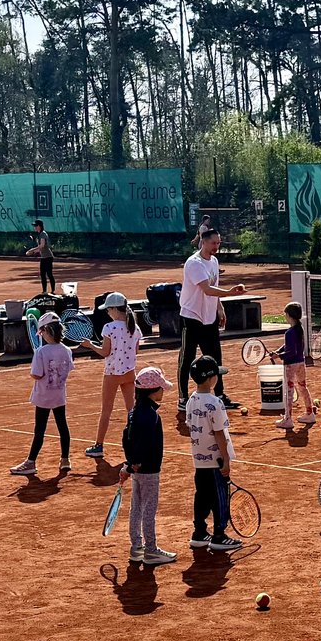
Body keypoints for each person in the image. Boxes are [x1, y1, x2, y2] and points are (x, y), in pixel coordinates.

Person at [177, 222, 246, 405]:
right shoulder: (194, 263)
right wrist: (230, 293)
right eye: (214, 243)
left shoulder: (214, 261)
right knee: (187, 358)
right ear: (204, 242)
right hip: (192, 317)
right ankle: (183, 398)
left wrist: (219, 308)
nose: (217, 246)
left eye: (218, 243)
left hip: (209, 318)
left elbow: (214, 288)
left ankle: (220, 395)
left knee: (215, 358)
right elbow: (207, 289)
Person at [182, 354, 241, 552]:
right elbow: (219, 433)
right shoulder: (215, 403)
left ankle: (199, 532)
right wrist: (226, 459)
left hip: (199, 461)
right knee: (220, 498)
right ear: (210, 378)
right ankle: (219, 535)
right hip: (216, 461)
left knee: (202, 496)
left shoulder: (190, 401)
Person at [120, 366, 176, 566]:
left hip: (137, 470)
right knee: (148, 511)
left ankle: (136, 548)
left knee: (136, 508)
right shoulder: (151, 416)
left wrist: (129, 465)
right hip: (149, 470)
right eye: (160, 388)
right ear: (152, 391)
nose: (163, 392)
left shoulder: (133, 412)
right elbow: (143, 444)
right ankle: (151, 550)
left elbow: (127, 439)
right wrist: (134, 464)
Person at [11, 313, 74, 480]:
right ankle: (65, 459)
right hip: (59, 395)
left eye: (41, 332)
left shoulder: (41, 352)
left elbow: (37, 374)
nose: (41, 335)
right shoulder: (67, 350)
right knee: (63, 426)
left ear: (47, 331)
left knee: (39, 429)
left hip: (43, 396)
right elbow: (68, 369)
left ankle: (31, 462)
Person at [84, 291, 141, 461]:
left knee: (106, 411)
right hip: (129, 373)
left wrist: (90, 345)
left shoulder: (109, 328)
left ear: (115, 309)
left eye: (108, 309)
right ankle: (136, 444)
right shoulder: (135, 328)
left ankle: (98, 446)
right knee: (132, 411)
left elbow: (104, 352)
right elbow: (136, 351)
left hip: (112, 374)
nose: (108, 312)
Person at [277, 299, 312, 434]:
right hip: (301, 363)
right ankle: (310, 413)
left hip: (290, 365)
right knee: (303, 387)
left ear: (289, 315)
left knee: (289, 392)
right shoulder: (299, 329)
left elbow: (291, 351)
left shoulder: (289, 332)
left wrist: (279, 356)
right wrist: (278, 352)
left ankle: (288, 419)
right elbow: (289, 347)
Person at [25, 220, 56, 297]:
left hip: (48, 257)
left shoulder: (43, 234)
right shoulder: (39, 235)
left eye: (36, 226)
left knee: (49, 274)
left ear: (39, 226)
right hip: (43, 257)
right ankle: (44, 291)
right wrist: (33, 252)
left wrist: (31, 250)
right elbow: (40, 249)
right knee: (42, 274)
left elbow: (42, 245)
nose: (35, 227)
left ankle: (53, 291)